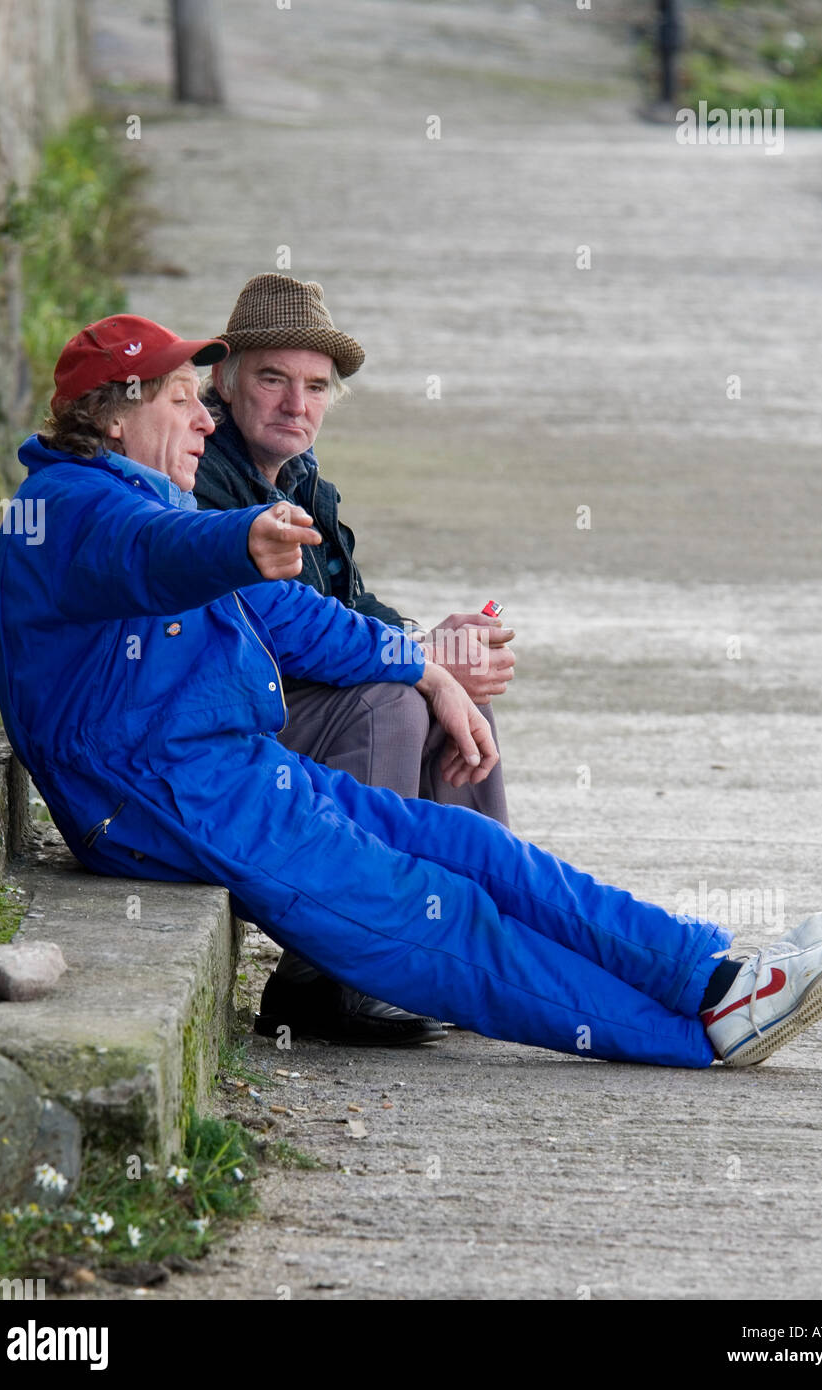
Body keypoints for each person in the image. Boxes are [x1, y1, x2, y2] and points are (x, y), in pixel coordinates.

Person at [0, 314, 822, 1072]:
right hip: (161, 802)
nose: (204, 421)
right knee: (436, 920)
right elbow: (149, 556)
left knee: (473, 849)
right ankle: (700, 1037)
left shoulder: (147, 502)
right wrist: (237, 539)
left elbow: (291, 617)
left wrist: (427, 667)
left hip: (228, 772)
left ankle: (711, 973)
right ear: (111, 417)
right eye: (182, 399)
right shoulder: (72, 511)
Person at [194, 273, 515, 1046]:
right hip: (222, 724)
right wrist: (418, 664)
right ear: (225, 382)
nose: (294, 403)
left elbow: (344, 611)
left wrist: (434, 644)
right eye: (272, 379)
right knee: (392, 701)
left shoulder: (305, 481)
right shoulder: (205, 476)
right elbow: (272, 630)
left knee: (452, 706)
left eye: (314, 385)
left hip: (282, 707)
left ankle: (466, 936)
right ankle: (329, 973)